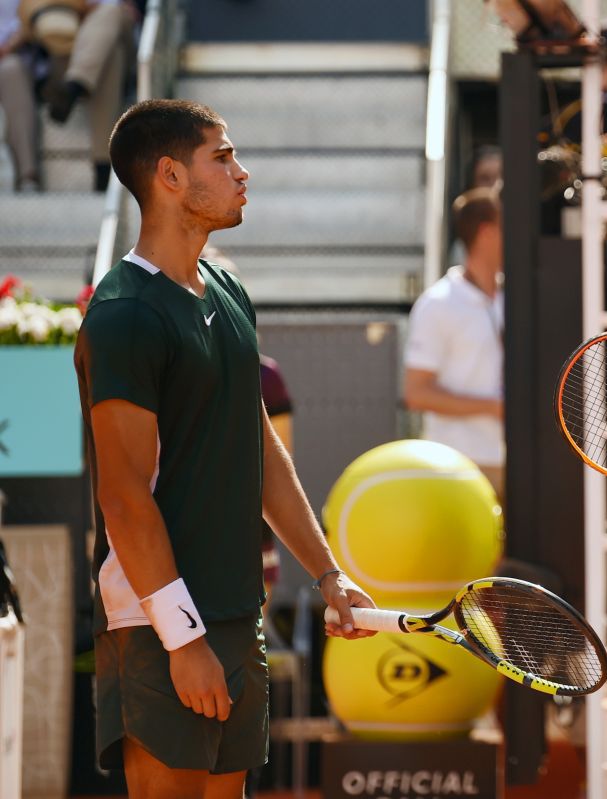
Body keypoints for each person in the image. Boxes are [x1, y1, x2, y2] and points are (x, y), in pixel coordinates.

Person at [74, 99, 376, 799]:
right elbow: (122, 495)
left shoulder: (230, 288)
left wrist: (329, 575)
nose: (243, 171)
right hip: (156, 626)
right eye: (223, 156)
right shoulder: (123, 314)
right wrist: (182, 638)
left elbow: (261, 447)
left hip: (238, 614)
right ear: (172, 176)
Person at [404, 187, 505, 501]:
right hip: (459, 466)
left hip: (515, 464)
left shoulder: (515, 296)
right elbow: (417, 393)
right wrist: (494, 408)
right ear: (487, 232)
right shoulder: (437, 303)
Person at [23, 0, 132, 191]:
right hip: (62, 53)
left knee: (110, 13)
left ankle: (75, 86)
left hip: (116, 38)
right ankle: (103, 168)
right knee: (111, 57)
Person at [0, 0, 38, 190]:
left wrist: (10, 45)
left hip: (15, 56)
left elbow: (35, 17)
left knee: (11, 70)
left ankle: (27, 174)